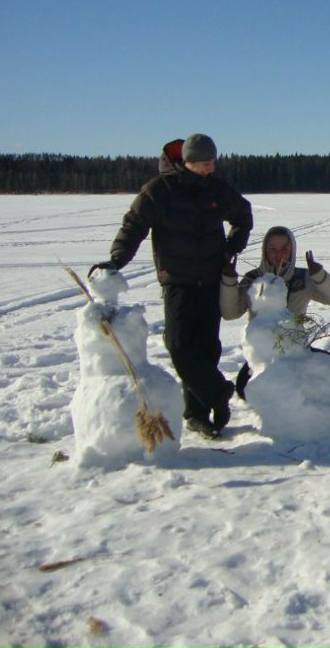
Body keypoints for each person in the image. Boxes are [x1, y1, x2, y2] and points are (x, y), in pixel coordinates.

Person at [91, 134, 253, 440]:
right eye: (206, 163)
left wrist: (235, 243)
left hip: (211, 280)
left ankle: (199, 414)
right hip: (178, 281)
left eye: (213, 162)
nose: (211, 167)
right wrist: (116, 261)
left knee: (206, 348)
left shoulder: (216, 188)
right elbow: (133, 227)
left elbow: (243, 215)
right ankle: (217, 391)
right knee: (179, 345)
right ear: (188, 161)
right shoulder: (159, 190)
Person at [220, 225, 330, 398]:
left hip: (296, 352)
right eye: (272, 249)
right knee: (245, 390)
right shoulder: (252, 279)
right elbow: (230, 313)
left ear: (292, 250)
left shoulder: (304, 278)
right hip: (263, 355)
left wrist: (319, 275)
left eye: (284, 249)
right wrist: (229, 282)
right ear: (264, 251)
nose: (278, 254)